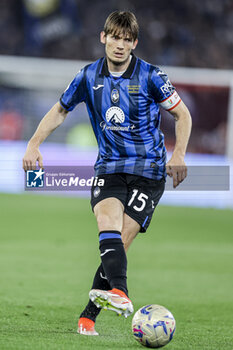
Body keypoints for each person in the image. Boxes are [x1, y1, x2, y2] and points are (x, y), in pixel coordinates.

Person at [23, 11, 192, 336]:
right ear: (104, 37)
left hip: (149, 171)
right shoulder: (87, 76)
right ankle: (121, 293)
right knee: (107, 225)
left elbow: (182, 115)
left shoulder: (151, 76)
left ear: (134, 43)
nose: (120, 44)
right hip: (109, 168)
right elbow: (60, 110)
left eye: (127, 39)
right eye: (115, 36)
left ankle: (89, 315)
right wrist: (33, 144)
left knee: (120, 242)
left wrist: (179, 153)